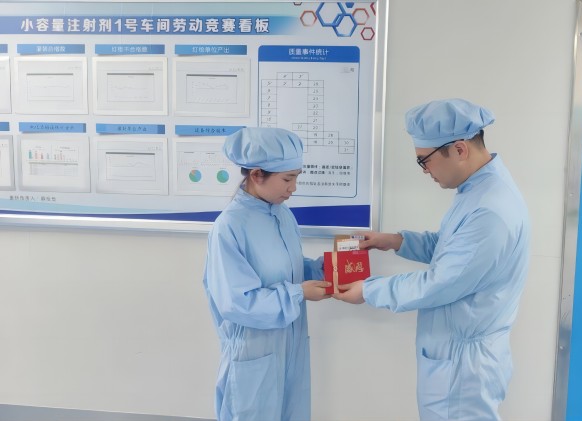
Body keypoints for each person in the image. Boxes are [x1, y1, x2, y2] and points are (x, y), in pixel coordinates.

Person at [335, 98, 530, 421]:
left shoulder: (489, 209)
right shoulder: (477, 190)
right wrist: (395, 241)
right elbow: (452, 250)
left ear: (459, 149)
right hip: (455, 359)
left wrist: (368, 291)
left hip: (464, 370)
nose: (425, 171)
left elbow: (441, 282)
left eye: (424, 161)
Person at [202, 127, 331, 421]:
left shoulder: (282, 214)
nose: (293, 188)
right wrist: (298, 293)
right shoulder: (229, 226)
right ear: (257, 175)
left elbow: (285, 268)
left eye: (296, 177)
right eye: (287, 179)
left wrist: (322, 268)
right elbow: (237, 302)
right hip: (254, 350)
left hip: (290, 344)